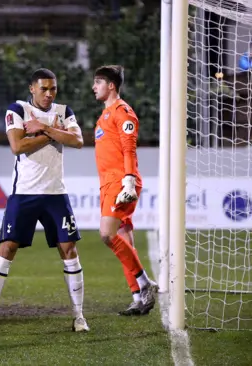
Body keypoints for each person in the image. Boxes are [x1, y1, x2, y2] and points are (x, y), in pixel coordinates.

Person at [0, 68, 89, 336]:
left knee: (69, 249)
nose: (49, 94)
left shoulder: (64, 110)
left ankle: (79, 317)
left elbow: (77, 141)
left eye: (53, 89)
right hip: (24, 193)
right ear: (32, 89)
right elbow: (17, 146)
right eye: (44, 89)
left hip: (55, 193)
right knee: (8, 248)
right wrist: (52, 133)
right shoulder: (17, 109)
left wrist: (44, 128)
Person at [91, 65, 158, 316]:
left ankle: (145, 284)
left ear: (111, 85)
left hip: (121, 182)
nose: (93, 87)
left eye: (98, 82)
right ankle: (138, 298)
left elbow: (129, 149)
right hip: (109, 183)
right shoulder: (104, 116)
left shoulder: (123, 112)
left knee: (107, 235)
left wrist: (128, 181)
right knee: (126, 243)